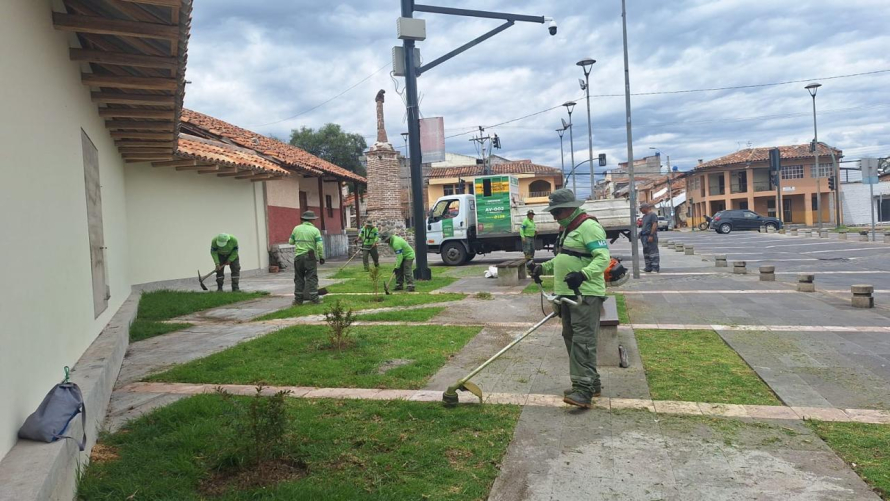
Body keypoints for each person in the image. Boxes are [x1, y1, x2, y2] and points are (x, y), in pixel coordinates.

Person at [528, 189, 610, 409]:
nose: (555, 216)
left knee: (583, 341)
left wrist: (583, 275)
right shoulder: (568, 229)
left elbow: (603, 258)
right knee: (572, 338)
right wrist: (542, 267)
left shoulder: (589, 227)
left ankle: (583, 391)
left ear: (572, 208)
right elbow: (564, 257)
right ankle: (592, 384)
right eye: (553, 212)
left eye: (558, 211)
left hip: (585, 294)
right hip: (567, 294)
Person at [288, 211, 325, 305]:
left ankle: (298, 300)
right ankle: (314, 299)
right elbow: (320, 245)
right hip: (310, 257)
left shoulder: (296, 229)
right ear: (312, 220)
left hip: (298, 257)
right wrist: (321, 257)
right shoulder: (315, 230)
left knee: (298, 278)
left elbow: (291, 242)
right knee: (312, 278)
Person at [639, 202, 660, 273]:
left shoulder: (652, 215)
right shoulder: (644, 217)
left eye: (641, 209)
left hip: (650, 236)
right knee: (646, 252)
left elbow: (654, 225)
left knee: (653, 253)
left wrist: (651, 235)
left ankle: (655, 268)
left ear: (645, 208)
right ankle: (648, 267)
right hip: (644, 237)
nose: (640, 210)